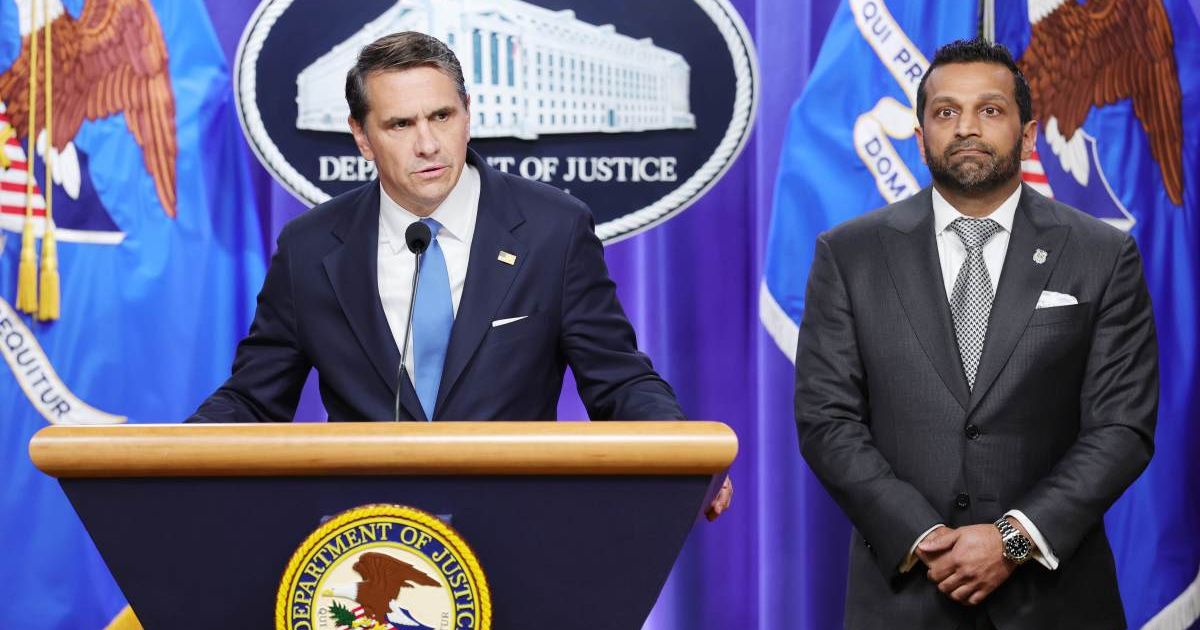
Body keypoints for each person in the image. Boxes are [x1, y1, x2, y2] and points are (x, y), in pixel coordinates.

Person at [190, 32, 732, 517]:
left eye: (441, 117)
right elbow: (254, 400)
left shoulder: (552, 230)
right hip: (367, 543)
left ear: (467, 113)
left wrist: (684, 450)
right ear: (361, 136)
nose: (428, 144)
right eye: (401, 124)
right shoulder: (310, 248)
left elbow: (618, 379)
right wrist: (163, 458)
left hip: (516, 531)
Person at [793, 38, 1157, 629]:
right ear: (920, 137)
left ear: (1029, 134)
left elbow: (1122, 427)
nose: (966, 127)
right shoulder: (849, 256)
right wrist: (928, 538)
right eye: (945, 112)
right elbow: (827, 420)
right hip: (905, 596)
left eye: (989, 110)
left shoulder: (1102, 254)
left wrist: (1011, 541)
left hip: (1055, 604)